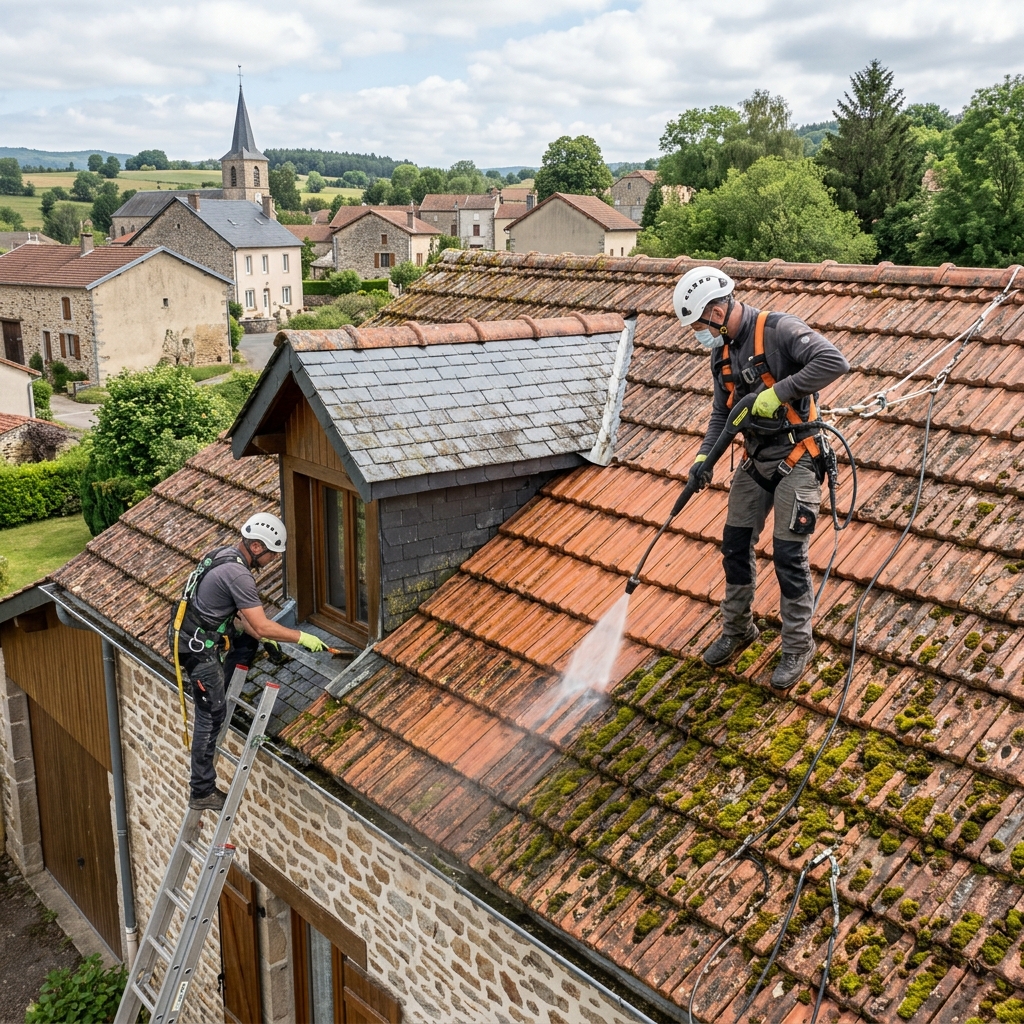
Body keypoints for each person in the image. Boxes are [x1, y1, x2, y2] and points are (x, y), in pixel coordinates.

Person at [673, 267, 849, 690]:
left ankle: (796, 646)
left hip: (798, 458)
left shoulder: (779, 329)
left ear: (717, 310)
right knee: (735, 545)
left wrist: (777, 393)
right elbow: (723, 413)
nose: (700, 334)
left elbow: (834, 361)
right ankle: (738, 629)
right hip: (755, 461)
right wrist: (703, 457)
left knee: (789, 556)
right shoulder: (721, 352)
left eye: (700, 325)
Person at [171, 512, 328, 810]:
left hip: (197, 636)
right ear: (257, 547)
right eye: (272, 554)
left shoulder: (225, 555)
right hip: (196, 649)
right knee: (212, 714)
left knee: (251, 637)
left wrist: (263, 636)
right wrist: (299, 637)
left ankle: (226, 683)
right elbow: (264, 623)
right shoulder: (239, 574)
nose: (273, 560)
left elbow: (246, 618)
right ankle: (201, 790)